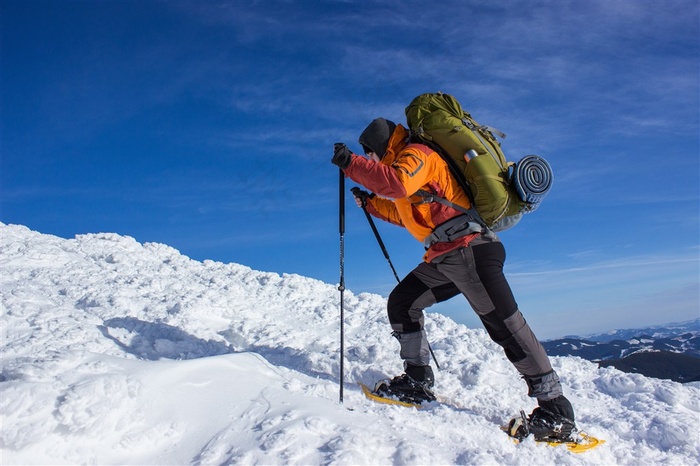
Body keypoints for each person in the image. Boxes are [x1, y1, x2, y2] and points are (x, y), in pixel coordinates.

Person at [332, 117, 576, 441]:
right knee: (403, 304)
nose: (371, 161)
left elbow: (396, 184)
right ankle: (418, 381)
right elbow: (402, 212)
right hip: (446, 257)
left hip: (469, 251)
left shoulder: (417, 155)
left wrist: (352, 164)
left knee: (506, 325)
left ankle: (556, 412)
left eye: (370, 155)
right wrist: (372, 203)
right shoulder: (403, 170)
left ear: (378, 147)